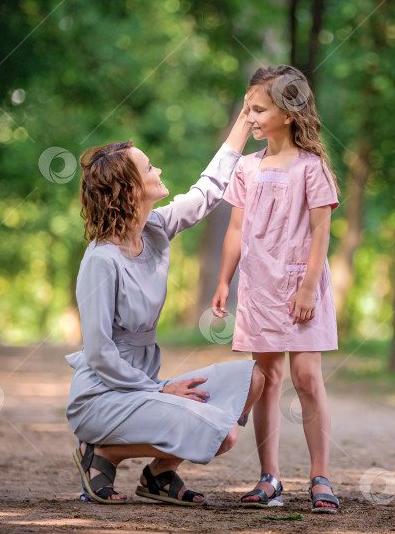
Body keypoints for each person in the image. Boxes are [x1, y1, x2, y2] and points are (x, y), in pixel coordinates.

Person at [67, 100, 264, 507]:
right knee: (222, 434)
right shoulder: (101, 260)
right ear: (130, 190)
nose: (157, 170)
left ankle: (158, 475)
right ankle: (100, 453)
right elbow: (100, 354)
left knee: (253, 379)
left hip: (147, 390)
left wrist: (245, 121)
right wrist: (162, 388)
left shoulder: (154, 228)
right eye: (148, 167)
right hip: (102, 397)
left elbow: (208, 192)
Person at [212, 65, 341, 513]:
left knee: (307, 378)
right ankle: (269, 477)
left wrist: (308, 289)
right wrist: (225, 280)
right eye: (246, 108)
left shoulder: (312, 167)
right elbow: (235, 229)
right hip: (259, 289)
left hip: (299, 288)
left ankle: (320, 476)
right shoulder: (247, 167)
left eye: (258, 109)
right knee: (265, 380)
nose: (249, 117)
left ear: (288, 113)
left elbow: (322, 232)